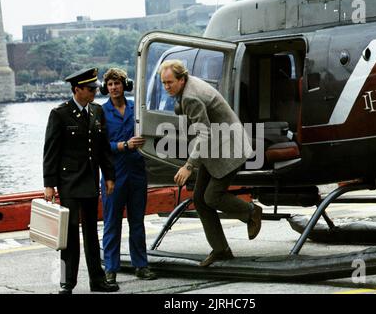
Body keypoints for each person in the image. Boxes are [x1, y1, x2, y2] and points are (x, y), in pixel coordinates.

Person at [158, 60, 263, 267]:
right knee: (199, 199)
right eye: (163, 83)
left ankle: (251, 211)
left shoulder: (190, 96)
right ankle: (221, 250)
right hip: (215, 148)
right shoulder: (187, 88)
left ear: (181, 79)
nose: (166, 87)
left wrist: (188, 165)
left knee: (212, 197)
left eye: (169, 82)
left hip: (229, 148)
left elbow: (203, 132)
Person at [43, 68, 119, 294]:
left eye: (95, 88)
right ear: (77, 90)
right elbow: (51, 151)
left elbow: (103, 148)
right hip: (69, 183)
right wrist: (49, 184)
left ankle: (97, 281)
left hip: (90, 181)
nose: (95, 92)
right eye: (90, 89)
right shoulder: (60, 113)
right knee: (69, 237)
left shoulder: (96, 111)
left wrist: (110, 175)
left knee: (92, 235)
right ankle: (67, 282)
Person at [100, 68, 157, 284]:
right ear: (106, 88)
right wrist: (124, 145)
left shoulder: (137, 109)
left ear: (125, 85)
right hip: (113, 174)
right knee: (112, 222)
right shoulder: (101, 112)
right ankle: (111, 269)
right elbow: (100, 146)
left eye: (117, 83)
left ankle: (141, 265)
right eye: (110, 84)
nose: (114, 88)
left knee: (137, 221)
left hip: (137, 172)